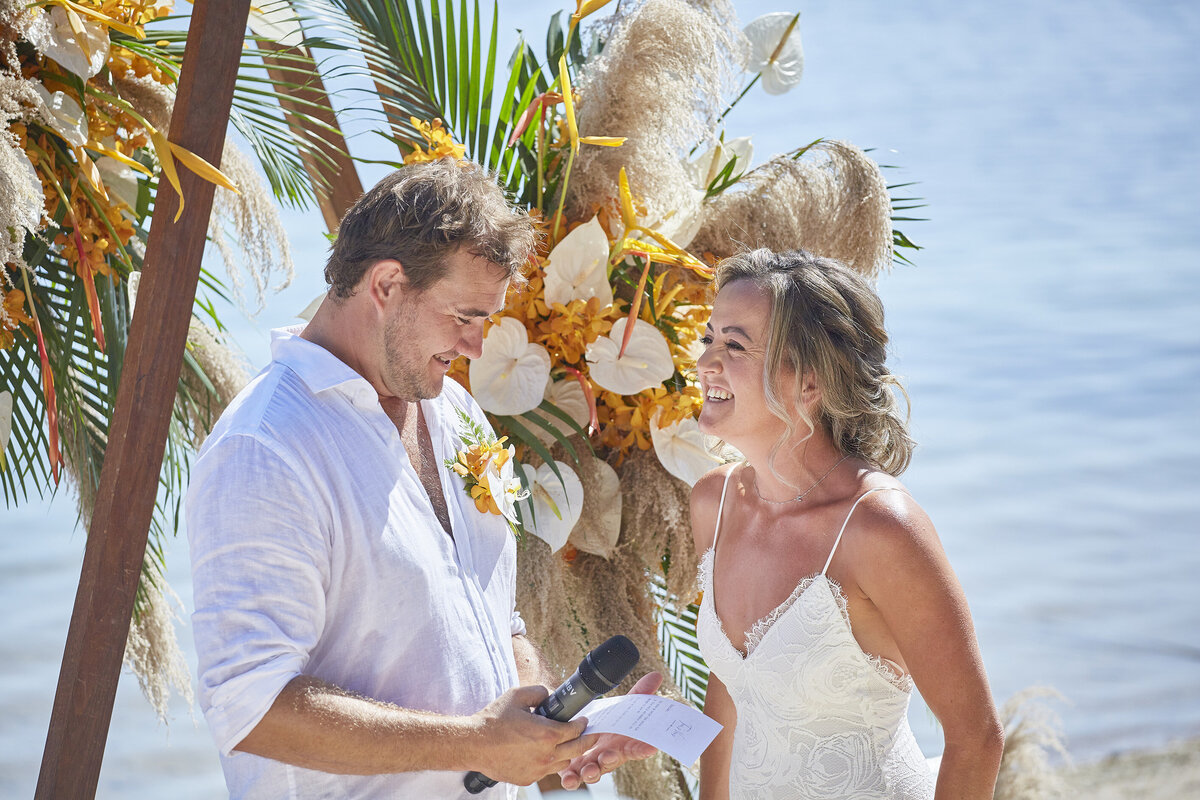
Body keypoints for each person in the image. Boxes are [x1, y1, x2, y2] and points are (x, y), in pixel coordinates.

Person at [186, 158, 658, 799]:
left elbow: (493, 615)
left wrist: (549, 731)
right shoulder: (265, 447)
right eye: (463, 316)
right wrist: (474, 742)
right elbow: (249, 706)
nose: (476, 346)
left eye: (485, 319)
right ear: (385, 285)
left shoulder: (454, 411)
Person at [690, 249, 1004, 799]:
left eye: (734, 345)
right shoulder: (713, 504)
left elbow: (975, 739)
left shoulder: (880, 529)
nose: (706, 362)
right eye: (708, 339)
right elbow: (731, 690)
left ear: (809, 384)